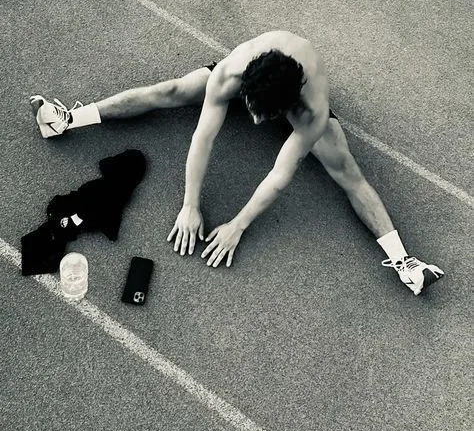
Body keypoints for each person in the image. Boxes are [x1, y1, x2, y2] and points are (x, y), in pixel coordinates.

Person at [30, 29, 444, 294]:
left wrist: (237, 225)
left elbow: (279, 177)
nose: (256, 121)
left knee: (347, 171)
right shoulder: (230, 74)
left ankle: (404, 260)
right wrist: (191, 204)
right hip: (259, 75)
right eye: (251, 110)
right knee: (172, 90)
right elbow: (203, 137)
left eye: (266, 116)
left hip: (292, 92)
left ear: (287, 109)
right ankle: (70, 119)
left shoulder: (310, 113)